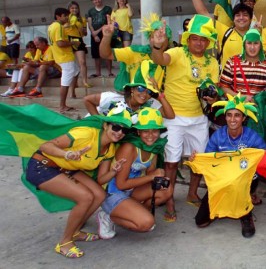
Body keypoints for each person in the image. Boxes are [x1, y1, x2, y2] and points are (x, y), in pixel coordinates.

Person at [24, 107, 133, 259]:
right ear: (105, 125)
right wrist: (67, 154)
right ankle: (64, 242)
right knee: (85, 197)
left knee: (99, 194)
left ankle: (75, 231)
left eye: (125, 130)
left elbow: (101, 180)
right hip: (43, 165)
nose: (120, 132)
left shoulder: (110, 150)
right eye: (116, 127)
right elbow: (45, 146)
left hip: (67, 168)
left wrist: (114, 171)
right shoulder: (86, 133)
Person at [149, 14, 220, 221]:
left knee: (198, 161)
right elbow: (160, 59)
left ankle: (191, 193)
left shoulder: (212, 62)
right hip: (174, 118)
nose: (199, 42)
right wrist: (157, 46)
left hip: (199, 117)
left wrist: (212, 97)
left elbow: (213, 90)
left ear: (208, 42)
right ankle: (168, 199)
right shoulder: (177, 53)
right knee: (171, 163)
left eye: (203, 39)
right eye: (195, 38)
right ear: (187, 40)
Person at [192, 93, 266, 238]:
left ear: (244, 118)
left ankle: (246, 214)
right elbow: (209, 159)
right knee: (200, 222)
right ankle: (222, 204)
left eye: (237, 115)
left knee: (239, 184)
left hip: (245, 180)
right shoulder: (218, 136)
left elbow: (264, 156)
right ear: (225, 117)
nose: (232, 119)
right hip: (222, 180)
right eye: (229, 115)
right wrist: (197, 159)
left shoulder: (252, 136)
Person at [96, 108, 172, 239]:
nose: (150, 135)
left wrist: (158, 173)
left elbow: (150, 173)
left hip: (131, 190)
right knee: (146, 224)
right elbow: (120, 184)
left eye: (154, 130)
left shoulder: (153, 147)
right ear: (138, 131)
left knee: (166, 188)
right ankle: (108, 215)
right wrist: (151, 176)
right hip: (113, 193)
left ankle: (133, 211)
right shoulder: (129, 148)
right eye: (145, 131)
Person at [186, 0, 252, 67]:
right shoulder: (225, 32)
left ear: (250, 18)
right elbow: (203, 12)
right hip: (227, 81)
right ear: (233, 19)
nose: (241, 18)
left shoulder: (258, 33)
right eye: (237, 15)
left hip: (251, 80)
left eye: (245, 15)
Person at [100, 13, 173, 92]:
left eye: (161, 36)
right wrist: (106, 37)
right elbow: (106, 54)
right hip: (134, 98)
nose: (157, 40)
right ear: (149, 39)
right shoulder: (135, 51)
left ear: (168, 40)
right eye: (153, 36)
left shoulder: (174, 56)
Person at [83, 59, 175, 121]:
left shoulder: (149, 103)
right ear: (132, 89)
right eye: (140, 88)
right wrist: (99, 121)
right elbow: (87, 100)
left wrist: (159, 94)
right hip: (92, 128)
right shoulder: (114, 98)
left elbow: (170, 115)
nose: (144, 94)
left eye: (149, 91)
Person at [219, 29, 266, 102]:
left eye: (256, 43)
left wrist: (259, 100)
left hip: (258, 110)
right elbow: (223, 87)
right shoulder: (232, 62)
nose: (252, 47)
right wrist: (239, 97)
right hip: (236, 109)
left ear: (261, 45)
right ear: (244, 44)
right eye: (249, 43)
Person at [47, 8, 80, 113]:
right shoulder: (58, 27)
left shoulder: (51, 26)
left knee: (77, 71)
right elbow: (60, 43)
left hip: (60, 57)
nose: (67, 18)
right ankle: (62, 106)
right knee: (65, 82)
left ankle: (73, 92)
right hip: (65, 57)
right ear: (58, 16)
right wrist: (73, 43)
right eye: (65, 16)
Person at [64, 1, 92, 88]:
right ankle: (72, 82)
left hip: (78, 39)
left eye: (76, 8)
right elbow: (63, 28)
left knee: (82, 62)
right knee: (70, 63)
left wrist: (81, 28)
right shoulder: (65, 18)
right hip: (68, 39)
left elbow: (85, 33)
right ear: (69, 9)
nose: (74, 10)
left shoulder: (82, 19)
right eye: (72, 8)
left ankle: (84, 81)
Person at [86, 0, 114, 77]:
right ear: (93, 1)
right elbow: (90, 24)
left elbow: (109, 22)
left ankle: (109, 72)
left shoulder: (107, 9)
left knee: (107, 52)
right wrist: (94, 34)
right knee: (96, 54)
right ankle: (98, 72)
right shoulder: (90, 11)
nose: (97, 1)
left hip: (105, 34)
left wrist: (98, 31)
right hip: (95, 35)